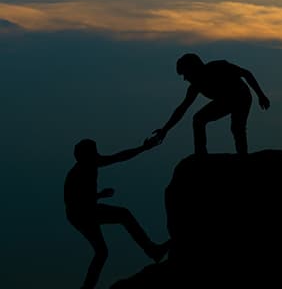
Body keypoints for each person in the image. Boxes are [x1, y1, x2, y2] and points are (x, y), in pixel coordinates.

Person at [65, 136, 168, 289]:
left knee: (102, 252)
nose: (97, 155)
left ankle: (87, 287)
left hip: (82, 213)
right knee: (123, 215)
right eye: (94, 153)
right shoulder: (77, 173)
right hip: (81, 214)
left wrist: (142, 148)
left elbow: (119, 157)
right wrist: (97, 196)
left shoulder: (90, 164)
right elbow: (73, 199)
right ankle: (153, 251)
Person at [151, 53, 270, 156]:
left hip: (242, 96)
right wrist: (165, 130)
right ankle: (201, 154)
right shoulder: (195, 87)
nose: (185, 78)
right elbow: (182, 109)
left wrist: (261, 95)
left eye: (185, 74)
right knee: (198, 119)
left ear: (193, 69)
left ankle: (243, 156)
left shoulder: (218, 67)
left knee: (237, 127)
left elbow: (246, 73)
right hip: (225, 100)